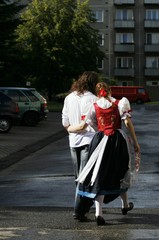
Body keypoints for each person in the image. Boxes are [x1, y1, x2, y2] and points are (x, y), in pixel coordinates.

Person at [76, 82, 140, 226]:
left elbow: (91, 123)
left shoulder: (94, 105)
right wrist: (135, 142)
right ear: (110, 90)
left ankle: (99, 213)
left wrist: (101, 129)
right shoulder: (119, 103)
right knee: (121, 170)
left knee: (100, 173)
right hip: (117, 140)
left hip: (99, 140)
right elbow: (127, 122)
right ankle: (124, 205)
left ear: (98, 92)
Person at [62, 71, 99, 221]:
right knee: (86, 176)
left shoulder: (68, 98)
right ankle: (79, 210)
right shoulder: (94, 99)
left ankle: (83, 205)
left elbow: (65, 123)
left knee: (78, 176)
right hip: (89, 141)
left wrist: (73, 128)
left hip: (73, 140)